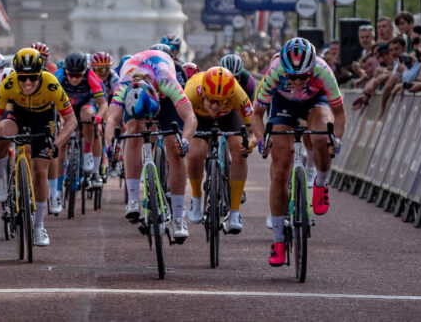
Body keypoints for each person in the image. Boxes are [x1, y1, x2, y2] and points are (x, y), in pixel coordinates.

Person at [254, 37, 345, 267]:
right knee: (280, 170)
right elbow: (256, 114)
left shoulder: (322, 70)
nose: (296, 81)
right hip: (283, 105)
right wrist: (261, 138)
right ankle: (278, 241)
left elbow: (340, 113)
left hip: (315, 101)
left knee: (321, 136)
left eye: (303, 76)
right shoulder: (275, 71)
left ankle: (321, 183)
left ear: (311, 69)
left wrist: (339, 138)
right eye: (292, 77)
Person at [0, 47, 77, 247]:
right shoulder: (8, 84)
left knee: (40, 171)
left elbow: (71, 121)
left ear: (40, 74)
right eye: (23, 78)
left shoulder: (51, 84)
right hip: (17, 114)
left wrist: (56, 143)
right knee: (3, 128)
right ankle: (1, 177)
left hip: (43, 119)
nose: (27, 82)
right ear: (16, 74)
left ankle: (38, 226)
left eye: (33, 78)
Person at [105, 48, 196, 241]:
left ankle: (179, 217)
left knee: (174, 146)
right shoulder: (123, 86)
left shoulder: (167, 80)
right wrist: (110, 146)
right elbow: (111, 119)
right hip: (138, 90)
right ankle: (132, 199)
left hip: (162, 88)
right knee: (133, 129)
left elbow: (190, 117)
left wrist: (185, 140)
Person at [184, 66, 256, 234]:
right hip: (198, 117)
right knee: (195, 154)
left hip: (229, 116)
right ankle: (196, 196)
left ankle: (235, 211)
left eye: (221, 101)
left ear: (230, 96)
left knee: (239, 150)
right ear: (203, 93)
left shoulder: (239, 95)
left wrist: (250, 144)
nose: (215, 106)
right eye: (211, 100)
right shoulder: (191, 91)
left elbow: (255, 130)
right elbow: (182, 124)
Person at [56, 51, 108, 195]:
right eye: (71, 75)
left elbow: (103, 105)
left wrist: (98, 118)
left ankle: (87, 154)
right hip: (66, 105)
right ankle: (58, 188)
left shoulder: (91, 76)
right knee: (61, 130)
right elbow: (49, 102)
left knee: (88, 116)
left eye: (78, 75)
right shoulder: (59, 76)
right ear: (66, 71)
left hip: (86, 103)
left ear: (84, 72)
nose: (74, 79)